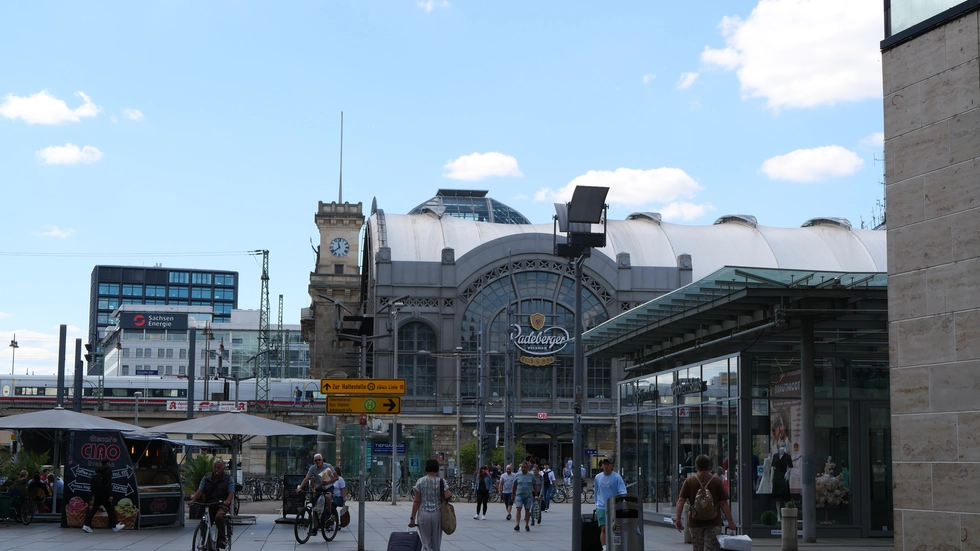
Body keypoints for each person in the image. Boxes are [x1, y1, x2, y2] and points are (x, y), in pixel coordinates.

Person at [673, 455, 736, 551]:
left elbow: (681, 501)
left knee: (698, 548)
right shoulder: (717, 481)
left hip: (695, 521)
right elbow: (723, 503)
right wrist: (731, 521)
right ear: (709, 466)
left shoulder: (689, 481)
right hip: (714, 521)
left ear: (696, 467)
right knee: (711, 548)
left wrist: (678, 519)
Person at [188, 459, 234, 547]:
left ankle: (221, 539)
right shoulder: (206, 478)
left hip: (221, 505)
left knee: (219, 517)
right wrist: (193, 501)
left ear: (223, 469)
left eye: (218, 467)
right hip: (209, 504)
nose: (216, 469)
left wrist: (227, 501)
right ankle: (206, 542)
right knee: (204, 522)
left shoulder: (228, 479)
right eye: (215, 467)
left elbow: (231, 492)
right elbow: (200, 490)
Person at [409, 458, 452, 551]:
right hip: (437, 513)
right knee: (436, 542)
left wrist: (412, 518)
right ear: (437, 468)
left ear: (426, 467)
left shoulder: (420, 481)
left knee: (425, 542)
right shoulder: (441, 481)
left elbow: (416, 501)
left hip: (423, 513)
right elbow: (448, 494)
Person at [83, 459, 126, 533]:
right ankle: (114, 526)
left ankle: (86, 525)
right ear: (107, 463)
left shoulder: (97, 471)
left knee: (94, 510)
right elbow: (107, 485)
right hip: (104, 495)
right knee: (110, 510)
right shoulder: (107, 472)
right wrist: (110, 495)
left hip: (98, 494)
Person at [594, 458, 627, 551]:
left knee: (615, 528)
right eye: (604, 464)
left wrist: (622, 500)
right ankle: (604, 548)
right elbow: (596, 491)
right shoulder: (598, 477)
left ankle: (615, 545)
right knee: (603, 528)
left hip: (614, 506)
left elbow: (622, 490)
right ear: (602, 466)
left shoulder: (617, 477)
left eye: (608, 464)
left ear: (612, 465)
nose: (606, 466)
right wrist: (596, 503)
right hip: (601, 506)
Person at [510, 461, 537, 532]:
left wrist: (536, 495)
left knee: (527, 510)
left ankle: (527, 524)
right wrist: (512, 495)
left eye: (525, 467)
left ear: (528, 468)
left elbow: (534, 485)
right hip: (519, 494)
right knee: (518, 509)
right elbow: (514, 486)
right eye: (522, 467)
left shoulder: (531, 475)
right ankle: (517, 524)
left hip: (528, 495)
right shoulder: (517, 475)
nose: (523, 469)